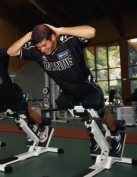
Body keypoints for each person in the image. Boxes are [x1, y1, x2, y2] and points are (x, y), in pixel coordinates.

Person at [7, 24, 121, 154]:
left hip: (86, 86)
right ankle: (96, 133)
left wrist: (60, 30)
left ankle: (115, 134)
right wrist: (29, 35)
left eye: (44, 45)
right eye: (39, 47)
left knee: (101, 112)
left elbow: (91, 32)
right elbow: (11, 51)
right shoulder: (35, 50)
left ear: (53, 37)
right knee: (77, 110)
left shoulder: (68, 41)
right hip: (68, 91)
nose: (42, 50)